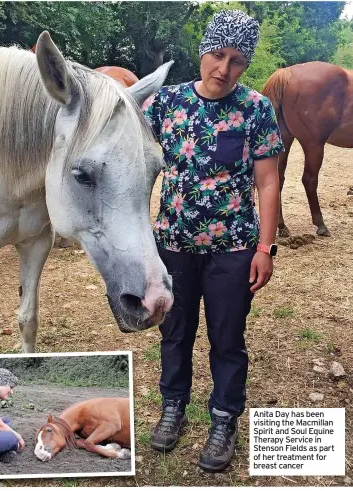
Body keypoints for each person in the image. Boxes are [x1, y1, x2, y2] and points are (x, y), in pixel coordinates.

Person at [143, 9, 283, 472]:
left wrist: (264, 248)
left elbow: (267, 183)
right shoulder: (165, 104)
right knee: (174, 332)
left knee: (227, 336)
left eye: (237, 61)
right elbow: (136, 166)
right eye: (217, 55)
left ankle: (224, 418)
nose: (224, 69)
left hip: (233, 249)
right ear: (201, 52)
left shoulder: (256, 108)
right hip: (173, 246)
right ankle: (173, 407)